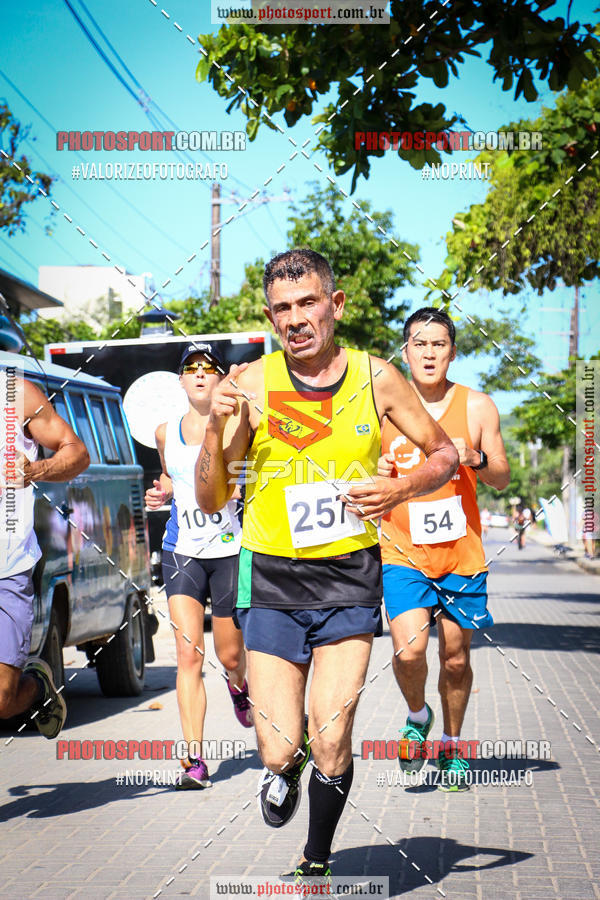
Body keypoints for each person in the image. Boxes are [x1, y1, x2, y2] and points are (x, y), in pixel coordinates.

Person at [195, 250, 458, 883]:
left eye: (308, 302)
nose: (296, 318)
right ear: (269, 316)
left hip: (348, 577)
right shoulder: (251, 384)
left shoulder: (378, 378)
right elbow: (210, 498)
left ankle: (316, 857)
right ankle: (282, 772)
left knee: (333, 735)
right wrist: (214, 429)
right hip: (272, 578)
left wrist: (398, 490)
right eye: (282, 308)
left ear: (334, 305)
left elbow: (446, 454)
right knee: (281, 744)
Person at [378, 307, 510, 792]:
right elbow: (371, 472)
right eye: (420, 343)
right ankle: (418, 716)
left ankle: (452, 747)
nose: (429, 352)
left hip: (461, 556)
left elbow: (501, 474)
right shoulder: (386, 407)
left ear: (452, 351)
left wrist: (472, 457)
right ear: (406, 350)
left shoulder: (477, 407)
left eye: (439, 344)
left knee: (455, 657)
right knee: (410, 651)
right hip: (403, 553)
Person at [144, 343, 252, 791]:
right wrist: (162, 493)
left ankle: (239, 684)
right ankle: (193, 761)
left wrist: (234, 490)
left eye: (209, 369)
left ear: (219, 378)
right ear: (182, 381)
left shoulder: (236, 422)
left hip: (228, 550)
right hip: (182, 550)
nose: (201, 375)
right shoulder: (166, 432)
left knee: (229, 655)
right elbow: (172, 476)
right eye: (192, 369)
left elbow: (243, 479)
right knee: (188, 655)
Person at [0, 369, 89, 737]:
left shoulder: (14, 394)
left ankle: (37, 685)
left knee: (2, 700)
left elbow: (77, 452)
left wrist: (35, 469)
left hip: (8, 568)